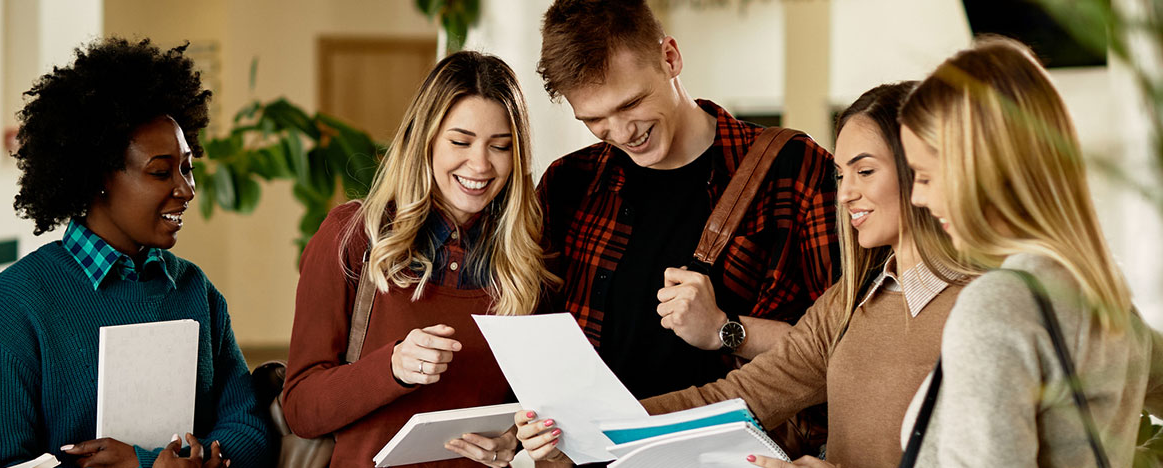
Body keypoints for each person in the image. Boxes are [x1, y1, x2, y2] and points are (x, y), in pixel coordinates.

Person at [510, 0, 840, 462]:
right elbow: (535, 341)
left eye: (632, 103)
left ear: (670, 58)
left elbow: (846, 350)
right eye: (594, 119)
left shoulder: (795, 170)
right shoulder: (569, 183)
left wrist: (727, 330)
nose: (623, 132)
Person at [619, 82, 976, 468]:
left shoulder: (982, 306)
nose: (844, 194)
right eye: (841, 176)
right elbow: (735, 400)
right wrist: (594, 428)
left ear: (923, 170)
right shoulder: (846, 303)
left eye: (865, 171)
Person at [0, 37, 275, 468]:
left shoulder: (194, 290)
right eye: (161, 172)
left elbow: (250, 428)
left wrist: (159, 463)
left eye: (187, 167)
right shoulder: (18, 301)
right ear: (98, 176)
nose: (186, 189)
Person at [281, 50, 558, 468]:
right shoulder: (352, 237)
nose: (480, 164)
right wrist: (390, 368)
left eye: (500, 146)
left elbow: (532, 409)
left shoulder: (526, 260)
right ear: (423, 139)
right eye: (460, 142)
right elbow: (300, 408)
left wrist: (513, 441)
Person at [895, 36, 1160, 467]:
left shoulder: (1001, 303)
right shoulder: (1101, 290)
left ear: (976, 170)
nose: (917, 198)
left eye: (924, 175)